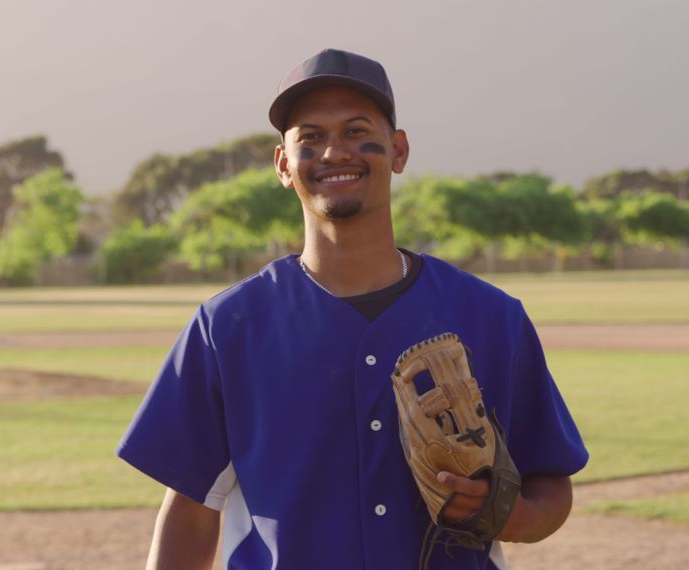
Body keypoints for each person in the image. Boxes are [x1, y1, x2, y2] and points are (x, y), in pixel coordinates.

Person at [117, 48, 588, 570]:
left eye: (355, 130)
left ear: (399, 149)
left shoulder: (492, 318)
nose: (334, 152)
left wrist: (505, 514)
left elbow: (551, 485)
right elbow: (189, 514)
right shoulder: (227, 327)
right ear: (282, 165)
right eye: (310, 138)